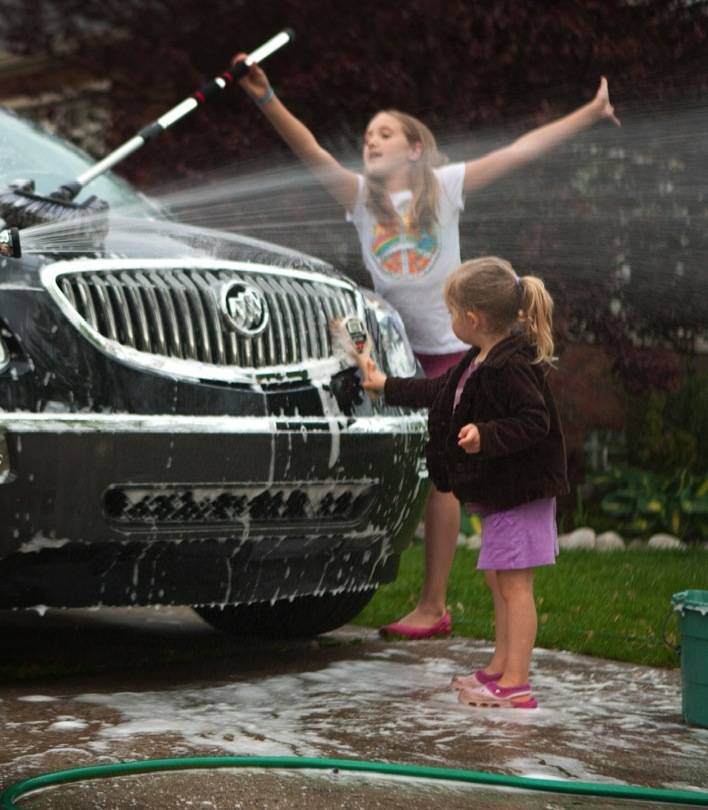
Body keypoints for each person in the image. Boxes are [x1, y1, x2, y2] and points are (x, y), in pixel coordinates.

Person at [236, 54, 616, 639]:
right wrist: (264, 96)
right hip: (394, 351)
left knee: (443, 474)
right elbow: (310, 151)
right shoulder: (361, 197)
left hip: (449, 350)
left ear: (415, 148)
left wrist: (589, 113)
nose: (371, 140)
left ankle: (433, 605)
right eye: (366, 135)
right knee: (406, 465)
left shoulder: (445, 186)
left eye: (384, 132)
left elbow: (518, 151)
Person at [361, 256, 568, 708]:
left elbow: (535, 420)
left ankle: (516, 686)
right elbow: (438, 392)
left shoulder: (510, 365)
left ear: (472, 319)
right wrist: (384, 385)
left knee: (515, 587)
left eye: (452, 313)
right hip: (503, 494)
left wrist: (486, 435)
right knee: (499, 580)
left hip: (522, 493)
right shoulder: (478, 360)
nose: (450, 320)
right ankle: (499, 668)